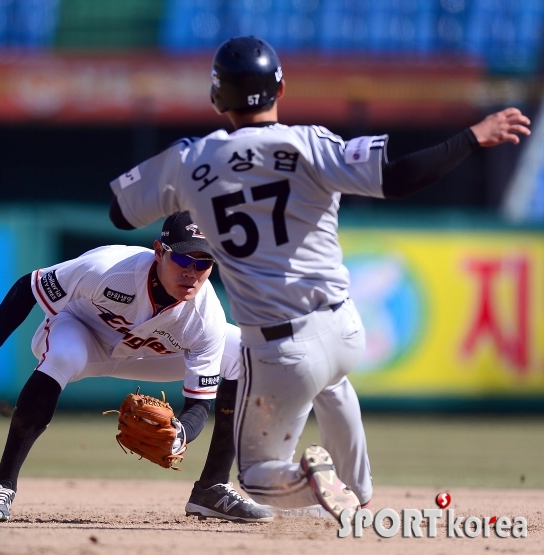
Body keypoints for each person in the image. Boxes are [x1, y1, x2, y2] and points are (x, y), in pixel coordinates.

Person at [108, 36, 531, 520]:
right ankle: (361, 491)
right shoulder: (310, 142)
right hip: (344, 326)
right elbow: (399, 178)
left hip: (279, 346)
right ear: (280, 89)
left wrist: (179, 181)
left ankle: (315, 479)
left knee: (256, 475)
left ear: (215, 97)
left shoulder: (191, 160)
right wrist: (472, 136)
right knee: (335, 386)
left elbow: (120, 213)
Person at [0, 211, 273, 524]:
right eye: (183, 260)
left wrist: (181, 434)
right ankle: (2, 486)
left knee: (245, 353)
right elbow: (29, 286)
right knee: (64, 355)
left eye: (203, 263)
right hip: (82, 334)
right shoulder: (108, 268)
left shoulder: (206, 317)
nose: (192, 271)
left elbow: (200, 405)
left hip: (149, 355)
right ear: (159, 252)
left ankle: (212, 490)